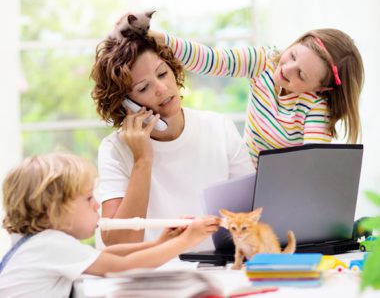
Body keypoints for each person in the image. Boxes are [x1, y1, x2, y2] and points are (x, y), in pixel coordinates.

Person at [90, 31, 254, 248]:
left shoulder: (218, 127)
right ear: (125, 104)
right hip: (150, 274)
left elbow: (252, 216)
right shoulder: (114, 150)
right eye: (143, 88)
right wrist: (142, 160)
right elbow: (119, 244)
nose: (161, 88)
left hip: (217, 269)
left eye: (162, 73)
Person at [0, 153, 220, 297]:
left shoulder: (38, 244)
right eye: (88, 198)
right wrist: (186, 240)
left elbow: (110, 255)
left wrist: (162, 242)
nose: (96, 205)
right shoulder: (49, 245)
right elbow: (122, 267)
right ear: (54, 209)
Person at [149, 28, 365, 167]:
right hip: (242, 171)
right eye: (292, 55)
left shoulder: (316, 108)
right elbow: (212, 60)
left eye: (301, 74)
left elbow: (311, 167)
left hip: (280, 187)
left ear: (321, 89)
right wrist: (158, 37)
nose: (286, 69)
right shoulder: (265, 60)